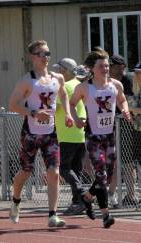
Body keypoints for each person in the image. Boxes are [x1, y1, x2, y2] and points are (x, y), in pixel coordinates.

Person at [8, 40, 74, 227]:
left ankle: (53, 215)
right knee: (26, 172)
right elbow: (13, 105)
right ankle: (16, 200)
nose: (45, 57)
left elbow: (64, 96)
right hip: (30, 133)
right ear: (32, 57)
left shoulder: (57, 78)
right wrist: (34, 113)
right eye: (41, 54)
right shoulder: (27, 81)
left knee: (53, 172)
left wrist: (68, 113)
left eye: (47, 53)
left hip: (50, 133)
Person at [70, 47, 131, 228]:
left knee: (108, 173)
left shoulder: (115, 85)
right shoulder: (84, 88)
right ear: (92, 69)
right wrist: (76, 119)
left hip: (109, 136)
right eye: (101, 66)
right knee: (102, 175)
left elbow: (122, 100)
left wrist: (126, 110)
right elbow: (72, 104)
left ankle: (87, 198)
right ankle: (106, 215)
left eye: (107, 66)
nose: (105, 69)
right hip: (93, 137)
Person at [52, 58, 87, 215]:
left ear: (65, 71)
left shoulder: (65, 86)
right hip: (80, 134)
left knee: (65, 168)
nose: (58, 72)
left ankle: (82, 194)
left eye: (59, 69)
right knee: (76, 170)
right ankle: (77, 203)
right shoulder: (78, 85)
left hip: (67, 134)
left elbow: (55, 108)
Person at [109, 55, 135, 208]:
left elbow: (129, 105)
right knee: (118, 161)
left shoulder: (127, 81)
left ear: (122, 67)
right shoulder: (109, 82)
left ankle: (131, 195)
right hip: (117, 126)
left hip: (128, 126)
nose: (109, 69)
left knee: (127, 161)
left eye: (113, 66)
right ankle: (110, 194)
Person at [126, 62, 141, 206]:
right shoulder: (136, 89)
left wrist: (132, 108)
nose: (137, 75)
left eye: (139, 72)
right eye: (136, 72)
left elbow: (133, 108)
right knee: (136, 163)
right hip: (137, 131)